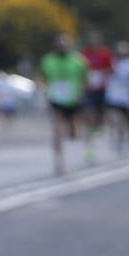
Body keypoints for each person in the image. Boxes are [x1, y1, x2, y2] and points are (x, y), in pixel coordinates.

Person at [40, 33, 89, 176]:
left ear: (70, 44)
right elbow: (42, 77)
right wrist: (44, 90)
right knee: (57, 131)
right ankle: (59, 163)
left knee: (74, 134)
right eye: (59, 43)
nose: (62, 45)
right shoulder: (48, 60)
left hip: (73, 100)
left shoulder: (79, 61)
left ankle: (74, 132)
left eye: (65, 43)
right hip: (56, 100)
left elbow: (86, 78)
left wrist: (81, 93)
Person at [81, 31, 113, 163]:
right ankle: (90, 144)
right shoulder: (84, 54)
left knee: (100, 114)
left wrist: (103, 75)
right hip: (89, 90)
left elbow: (111, 69)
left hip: (102, 89)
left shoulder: (105, 53)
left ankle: (100, 127)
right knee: (89, 114)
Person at [104, 40, 129, 153]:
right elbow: (105, 75)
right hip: (113, 96)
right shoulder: (112, 62)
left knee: (128, 121)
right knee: (116, 120)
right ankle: (118, 140)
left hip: (127, 97)